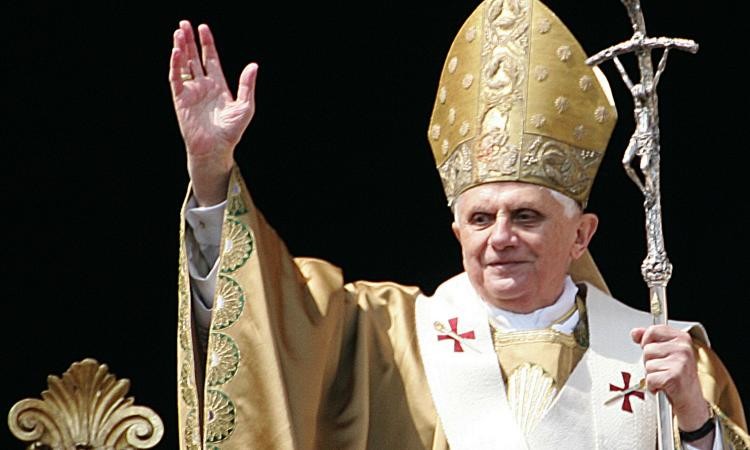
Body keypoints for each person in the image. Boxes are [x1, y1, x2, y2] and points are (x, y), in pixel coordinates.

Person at [169, 1, 749, 449]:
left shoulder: (664, 358)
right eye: (480, 218)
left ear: (582, 235)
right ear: (457, 235)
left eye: (526, 216)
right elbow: (268, 319)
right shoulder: (387, 338)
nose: (500, 238)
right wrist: (213, 172)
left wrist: (696, 422)